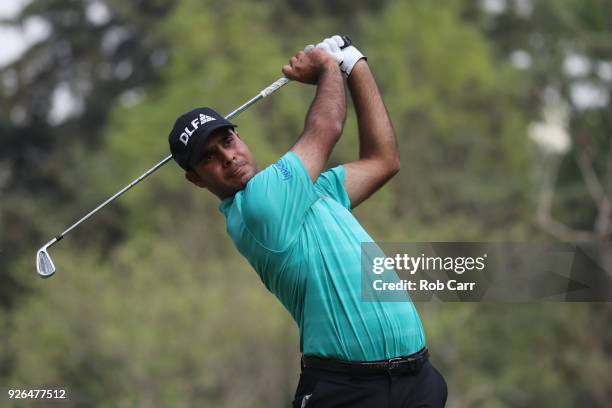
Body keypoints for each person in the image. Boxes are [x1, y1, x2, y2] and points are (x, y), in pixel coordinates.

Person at [168, 35, 447, 408]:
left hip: (417, 380)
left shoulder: (315, 191)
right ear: (196, 179)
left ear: (239, 136)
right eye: (208, 157)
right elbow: (327, 126)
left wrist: (355, 63)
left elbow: (383, 160)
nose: (228, 156)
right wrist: (329, 67)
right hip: (348, 391)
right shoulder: (257, 206)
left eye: (228, 140)